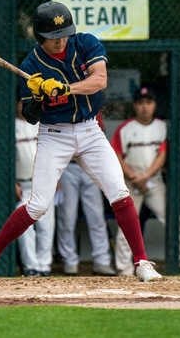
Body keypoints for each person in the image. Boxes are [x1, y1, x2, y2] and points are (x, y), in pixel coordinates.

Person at [0, 1, 162, 282]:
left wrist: (64, 88)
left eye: (64, 33)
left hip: (89, 129)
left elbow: (99, 80)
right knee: (37, 205)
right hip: (54, 135)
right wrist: (38, 96)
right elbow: (32, 117)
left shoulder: (85, 43)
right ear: (40, 37)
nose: (61, 40)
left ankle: (142, 263)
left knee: (120, 192)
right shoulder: (31, 65)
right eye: (53, 36)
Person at [110, 87, 169, 276]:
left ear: (154, 105)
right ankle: (124, 269)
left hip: (155, 182)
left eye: (149, 102)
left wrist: (145, 177)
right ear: (135, 105)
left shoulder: (162, 127)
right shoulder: (125, 128)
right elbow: (117, 155)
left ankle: (177, 262)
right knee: (126, 224)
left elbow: (162, 155)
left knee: (173, 220)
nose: (145, 107)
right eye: (141, 103)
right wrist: (134, 177)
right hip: (131, 182)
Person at [57, 111, 115, 276]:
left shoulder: (92, 105)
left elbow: (100, 134)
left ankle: (102, 261)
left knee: (96, 216)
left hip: (90, 165)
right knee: (67, 217)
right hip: (67, 167)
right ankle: (70, 261)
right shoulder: (63, 103)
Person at [14, 96, 55, 277]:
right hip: (22, 185)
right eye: (22, 102)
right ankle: (31, 266)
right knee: (25, 226)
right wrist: (12, 183)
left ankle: (44, 266)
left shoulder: (41, 124)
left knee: (47, 225)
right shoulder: (11, 126)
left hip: (43, 182)